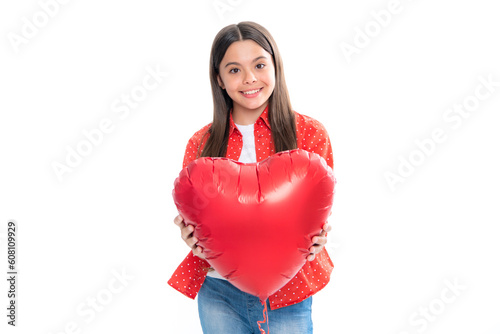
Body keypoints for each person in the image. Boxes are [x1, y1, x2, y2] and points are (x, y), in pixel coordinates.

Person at [169, 21, 334, 334]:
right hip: (219, 292)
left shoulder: (311, 134)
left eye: (259, 65)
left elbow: (317, 210)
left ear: (275, 66)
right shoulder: (200, 144)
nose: (249, 79)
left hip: (291, 291)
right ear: (219, 78)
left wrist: (318, 237)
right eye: (234, 70)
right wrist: (190, 236)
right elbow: (196, 218)